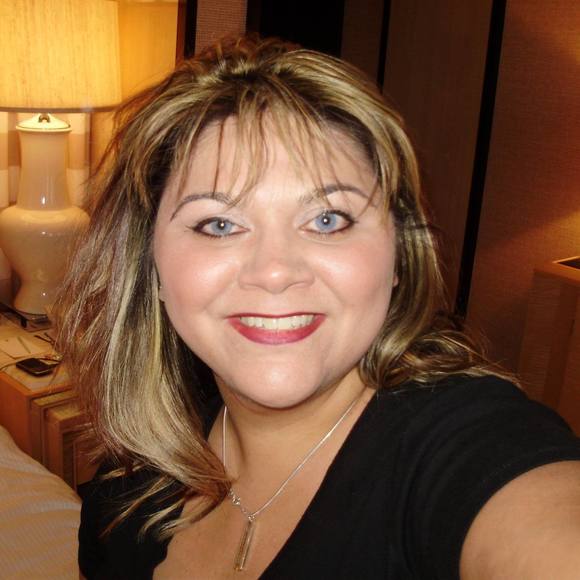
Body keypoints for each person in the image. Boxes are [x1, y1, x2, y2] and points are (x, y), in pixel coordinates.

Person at [57, 35, 580, 579]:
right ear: (151, 265)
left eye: (328, 220)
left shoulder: (461, 444)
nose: (275, 271)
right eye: (219, 224)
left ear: (398, 256)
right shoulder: (130, 484)